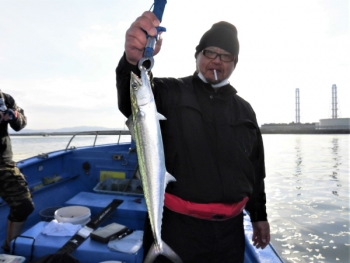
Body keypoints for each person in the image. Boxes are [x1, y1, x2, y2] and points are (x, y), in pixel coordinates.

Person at [116, 11, 270, 263]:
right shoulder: (167, 92)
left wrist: (259, 215)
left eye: (226, 56)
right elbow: (132, 99)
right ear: (197, 55)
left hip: (230, 233)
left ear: (234, 63)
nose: (217, 61)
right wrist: (132, 63)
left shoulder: (245, 110)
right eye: (210, 52)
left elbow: (256, 169)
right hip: (177, 229)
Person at [0, 90, 34, 252]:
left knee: (24, 206)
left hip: (3, 163)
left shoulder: (5, 98)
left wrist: (13, 115)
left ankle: (9, 249)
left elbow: (21, 123)